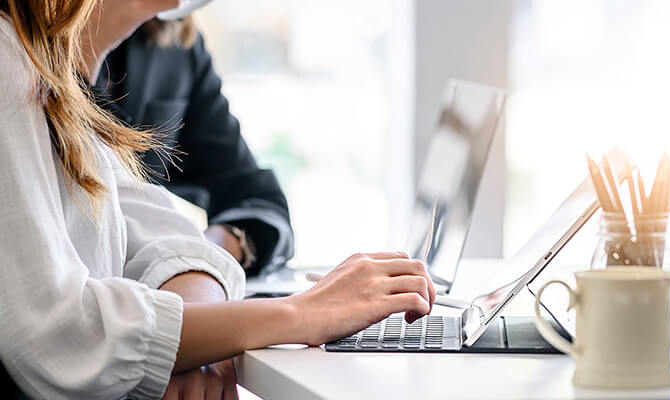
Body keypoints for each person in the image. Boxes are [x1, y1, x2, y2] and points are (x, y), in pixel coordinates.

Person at [0, 1, 436, 399]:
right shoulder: (10, 65)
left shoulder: (49, 76)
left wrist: (198, 341)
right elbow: (58, 334)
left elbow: (164, 237)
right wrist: (299, 314)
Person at [81, 0, 292, 279]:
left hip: (153, 300)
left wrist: (200, 254)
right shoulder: (19, 42)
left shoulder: (176, 46)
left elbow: (255, 197)